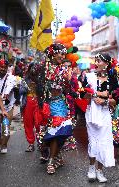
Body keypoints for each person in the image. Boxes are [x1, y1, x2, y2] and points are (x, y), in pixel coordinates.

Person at [39, 43, 75, 175]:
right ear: (53, 53)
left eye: (64, 54)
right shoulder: (42, 67)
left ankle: (51, 161)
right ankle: (55, 156)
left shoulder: (64, 70)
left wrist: (69, 81)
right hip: (45, 105)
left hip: (60, 105)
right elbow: (34, 82)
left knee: (58, 132)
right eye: (60, 53)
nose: (62, 56)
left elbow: (69, 90)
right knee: (46, 135)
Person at [83, 53, 118, 183]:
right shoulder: (89, 77)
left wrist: (104, 101)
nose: (96, 63)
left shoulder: (113, 79)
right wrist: (91, 94)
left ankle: (100, 170)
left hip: (105, 113)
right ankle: (91, 168)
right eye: (96, 60)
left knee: (104, 142)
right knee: (93, 141)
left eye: (99, 61)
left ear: (107, 64)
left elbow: (116, 100)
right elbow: (83, 96)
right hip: (91, 113)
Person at [0, 59, 16, 154]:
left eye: (5, 67)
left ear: (7, 68)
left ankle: (4, 145)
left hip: (8, 107)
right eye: (1, 67)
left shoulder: (11, 78)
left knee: (6, 127)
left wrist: (6, 94)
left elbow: (10, 86)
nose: (3, 69)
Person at [20, 63, 43, 152]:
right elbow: (21, 91)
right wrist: (27, 87)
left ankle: (40, 142)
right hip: (27, 103)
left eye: (35, 68)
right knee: (28, 123)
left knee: (39, 123)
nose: (34, 70)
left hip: (38, 103)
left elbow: (43, 92)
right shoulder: (25, 79)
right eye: (32, 68)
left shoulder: (41, 79)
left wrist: (38, 85)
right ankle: (30, 143)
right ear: (29, 69)